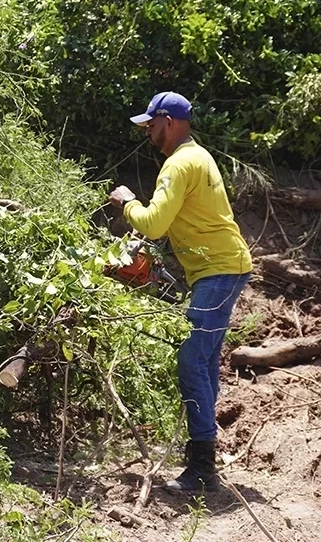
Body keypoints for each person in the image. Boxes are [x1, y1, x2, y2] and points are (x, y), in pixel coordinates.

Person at [108, 91, 252, 492]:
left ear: (169, 122)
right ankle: (204, 455)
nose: (148, 132)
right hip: (222, 269)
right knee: (203, 364)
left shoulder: (178, 164)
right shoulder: (199, 156)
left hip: (220, 271)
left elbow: (154, 224)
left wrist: (127, 202)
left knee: (191, 361)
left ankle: (203, 466)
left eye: (151, 125)